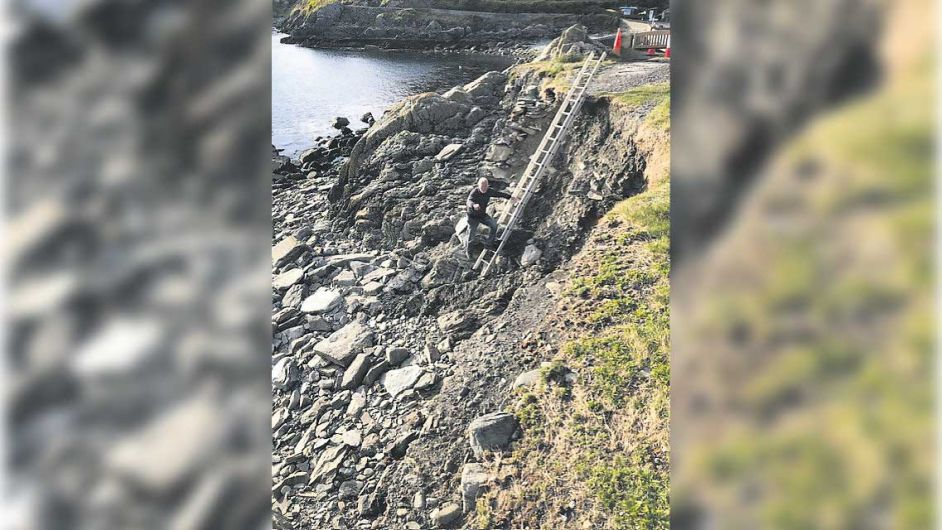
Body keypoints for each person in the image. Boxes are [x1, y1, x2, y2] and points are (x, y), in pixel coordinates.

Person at [465, 177, 518, 259]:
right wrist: (473, 205)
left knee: (494, 225)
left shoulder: (489, 191)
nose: (484, 188)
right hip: (472, 217)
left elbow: (498, 194)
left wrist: (510, 197)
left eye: (485, 186)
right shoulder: (474, 192)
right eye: (482, 187)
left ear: (487, 186)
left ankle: (489, 244)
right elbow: (469, 201)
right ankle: (469, 253)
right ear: (479, 185)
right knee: (471, 236)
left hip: (482, 215)